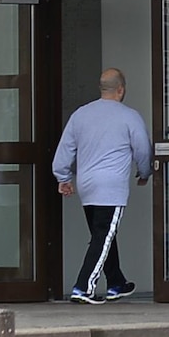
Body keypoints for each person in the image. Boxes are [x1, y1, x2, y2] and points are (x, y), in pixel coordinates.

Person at [53, 67, 151, 304]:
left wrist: (63, 177)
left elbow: (65, 148)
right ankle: (83, 287)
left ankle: (117, 282)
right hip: (111, 186)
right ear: (121, 89)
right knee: (102, 237)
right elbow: (143, 149)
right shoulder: (129, 116)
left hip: (86, 185)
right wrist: (144, 172)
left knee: (104, 234)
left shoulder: (80, 114)